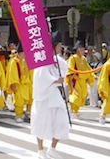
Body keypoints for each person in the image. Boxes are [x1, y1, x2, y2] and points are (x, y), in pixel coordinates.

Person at [31, 31, 70, 159]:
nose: (60, 48)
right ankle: (40, 150)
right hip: (43, 95)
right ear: (54, 45)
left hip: (54, 94)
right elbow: (40, 76)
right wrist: (54, 80)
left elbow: (64, 70)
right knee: (41, 122)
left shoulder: (58, 60)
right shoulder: (42, 57)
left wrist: (60, 78)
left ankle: (52, 148)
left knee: (62, 121)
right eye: (59, 45)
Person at [66, 40, 94, 118]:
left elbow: (88, 68)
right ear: (78, 49)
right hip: (76, 79)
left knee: (82, 96)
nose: (83, 51)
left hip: (83, 80)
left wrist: (92, 75)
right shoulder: (73, 58)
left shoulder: (84, 59)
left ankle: (75, 110)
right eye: (82, 49)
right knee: (75, 96)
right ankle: (74, 110)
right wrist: (72, 77)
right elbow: (71, 69)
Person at [6, 42, 33, 122]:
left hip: (27, 84)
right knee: (19, 101)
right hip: (19, 84)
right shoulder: (14, 62)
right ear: (19, 53)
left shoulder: (26, 60)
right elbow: (13, 74)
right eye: (23, 53)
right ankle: (18, 115)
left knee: (30, 99)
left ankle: (28, 113)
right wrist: (13, 85)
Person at [97, 57, 110, 124]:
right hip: (108, 85)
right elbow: (104, 78)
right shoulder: (107, 64)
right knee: (107, 102)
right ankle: (102, 116)